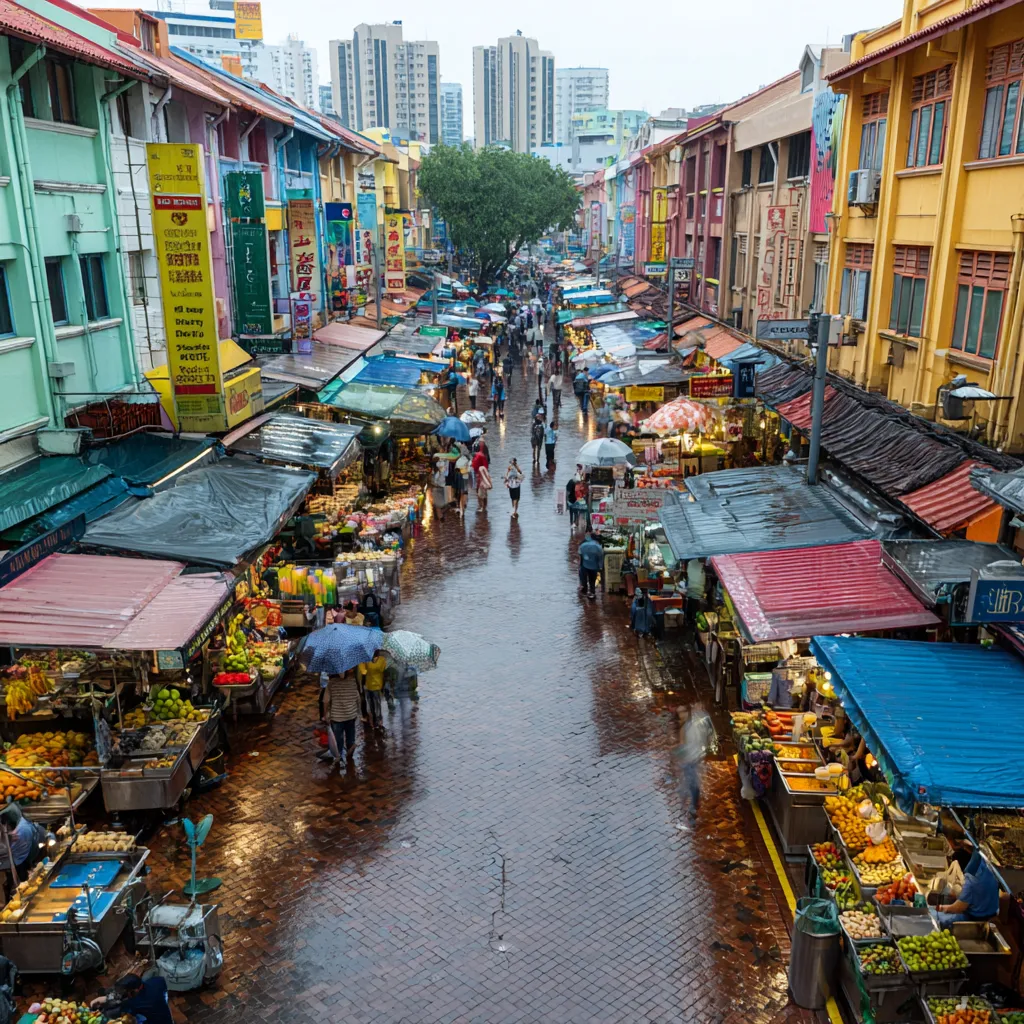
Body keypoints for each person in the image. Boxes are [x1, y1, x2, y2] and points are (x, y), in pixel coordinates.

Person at [936, 848, 1001, 927]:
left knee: (938, 919)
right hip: (992, 911)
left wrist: (940, 908)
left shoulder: (971, 883)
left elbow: (958, 908)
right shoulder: (987, 866)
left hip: (976, 918)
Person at [674, 707, 717, 820]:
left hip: (693, 759)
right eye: (679, 713)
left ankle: (693, 806)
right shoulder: (685, 727)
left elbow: (705, 737)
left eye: (683, 712)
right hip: (690, 759)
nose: (681, 715)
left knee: (692, 784)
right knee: (692, 783)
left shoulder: (693, 726)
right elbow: (683, 744)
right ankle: (693, 804)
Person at [91, 974, 173, 1024]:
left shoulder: (136, 1004)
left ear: (135, 991)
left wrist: (100, 1014)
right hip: (165, 1012)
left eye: (126, 992)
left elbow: (117, 1010)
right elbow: (163, 982)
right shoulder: (155, 981)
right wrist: (103, 998)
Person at [321, 669, 361, 765]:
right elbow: (357, 698)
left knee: (338, 740)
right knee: (350, 737)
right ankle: (350, 752)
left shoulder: (331, 683)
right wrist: (358, 711)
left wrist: (325, 714)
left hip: (337, 717)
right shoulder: (352, 681)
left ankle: (338, 757)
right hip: (351, 715)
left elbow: (325, 701)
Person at [358, 651, 388, 735]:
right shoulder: (381, 660)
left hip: (373, 686)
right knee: (374, 704)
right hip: (373, 685)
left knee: (374, 704)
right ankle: (376, 720)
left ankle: (377, 720)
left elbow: (363, 671)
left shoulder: (369, 660)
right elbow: (382, 670)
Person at [578, 531, 604, 599]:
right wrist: (600, 568)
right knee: (592, 580)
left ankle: (584, 589)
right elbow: (600, 559)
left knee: (584, 578)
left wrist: (580, 565)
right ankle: (592, 592)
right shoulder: (599, 548)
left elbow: (580, 556)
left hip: (584, 565)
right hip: (594, 567)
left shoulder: (583, 545)